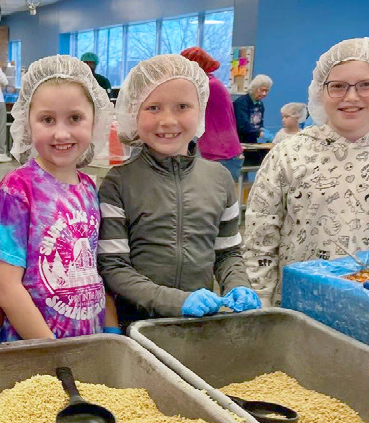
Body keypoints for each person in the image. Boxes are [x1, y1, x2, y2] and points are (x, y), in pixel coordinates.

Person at [244, 38, 369, 307]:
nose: (351, 96)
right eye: (338, 86)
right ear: (321, 92)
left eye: (367, 84)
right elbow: (259, 238)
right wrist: (261, 303)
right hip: (299, 306)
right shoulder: (290, 154)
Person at [99, 54, 260, 327]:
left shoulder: (219, 179)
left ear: (201, 110)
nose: (168, 121)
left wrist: (237, 284)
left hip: (199, 326)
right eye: (153, 108)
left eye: (182, 106)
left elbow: (227, 253)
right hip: (139, 328)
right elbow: (113, 267)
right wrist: (176, 301)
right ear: (133, 111)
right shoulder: (119, 183)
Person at [0, 55, 118, 341]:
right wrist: (52, 348)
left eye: (75, 118)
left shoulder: (88, 188)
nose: (60, 132)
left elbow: (93, 269)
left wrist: (109, 328)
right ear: (27, 123)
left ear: (95, 121)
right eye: (47, 119)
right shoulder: (17, 189)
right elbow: (5, 287)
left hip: (87, 342)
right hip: (34, 350)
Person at [180, 46, 244, 181]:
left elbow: (181, 106)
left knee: (213, 200)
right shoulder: (211, 82)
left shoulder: (208, 86)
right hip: (219, 152)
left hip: (221, 154)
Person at [234, 74, 271, 143]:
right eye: (262, 90)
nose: (264, 94)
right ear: (254, 88)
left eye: (267, 91)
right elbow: (243, 126)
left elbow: (259, 123)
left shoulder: (260, 105)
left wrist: (262, 129)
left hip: (252, 141)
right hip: (239, 141)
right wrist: (260, 133)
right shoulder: (241, 102)